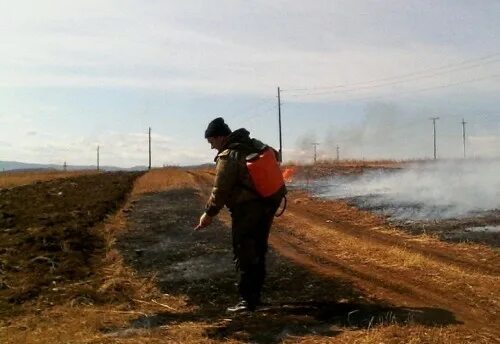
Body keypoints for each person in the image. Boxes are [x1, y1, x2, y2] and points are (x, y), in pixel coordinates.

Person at [195, 117, 286, 312]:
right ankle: (256, 296)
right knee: (259, 248)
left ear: (220, 137)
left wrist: (208, 214)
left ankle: (248, 301)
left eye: (211, 142)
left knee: (244, 251)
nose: (212, 147)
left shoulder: (229, 155)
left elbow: (220, 190)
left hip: (247, 209)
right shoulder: (254, 144)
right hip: (269, 202)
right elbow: (276, 157)